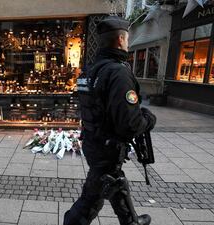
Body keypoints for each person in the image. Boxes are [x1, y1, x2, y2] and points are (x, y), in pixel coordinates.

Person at [64, 16, 156, 225]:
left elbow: (98, 106)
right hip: (107, 146)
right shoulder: (117, 72)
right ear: (121, 40)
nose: (128, 43)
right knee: (92, 198)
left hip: (93, 141)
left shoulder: (90, 69)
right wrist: (148, 120)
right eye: (127, 39)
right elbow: (130, 125)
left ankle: (130, 221)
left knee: (114, 180)